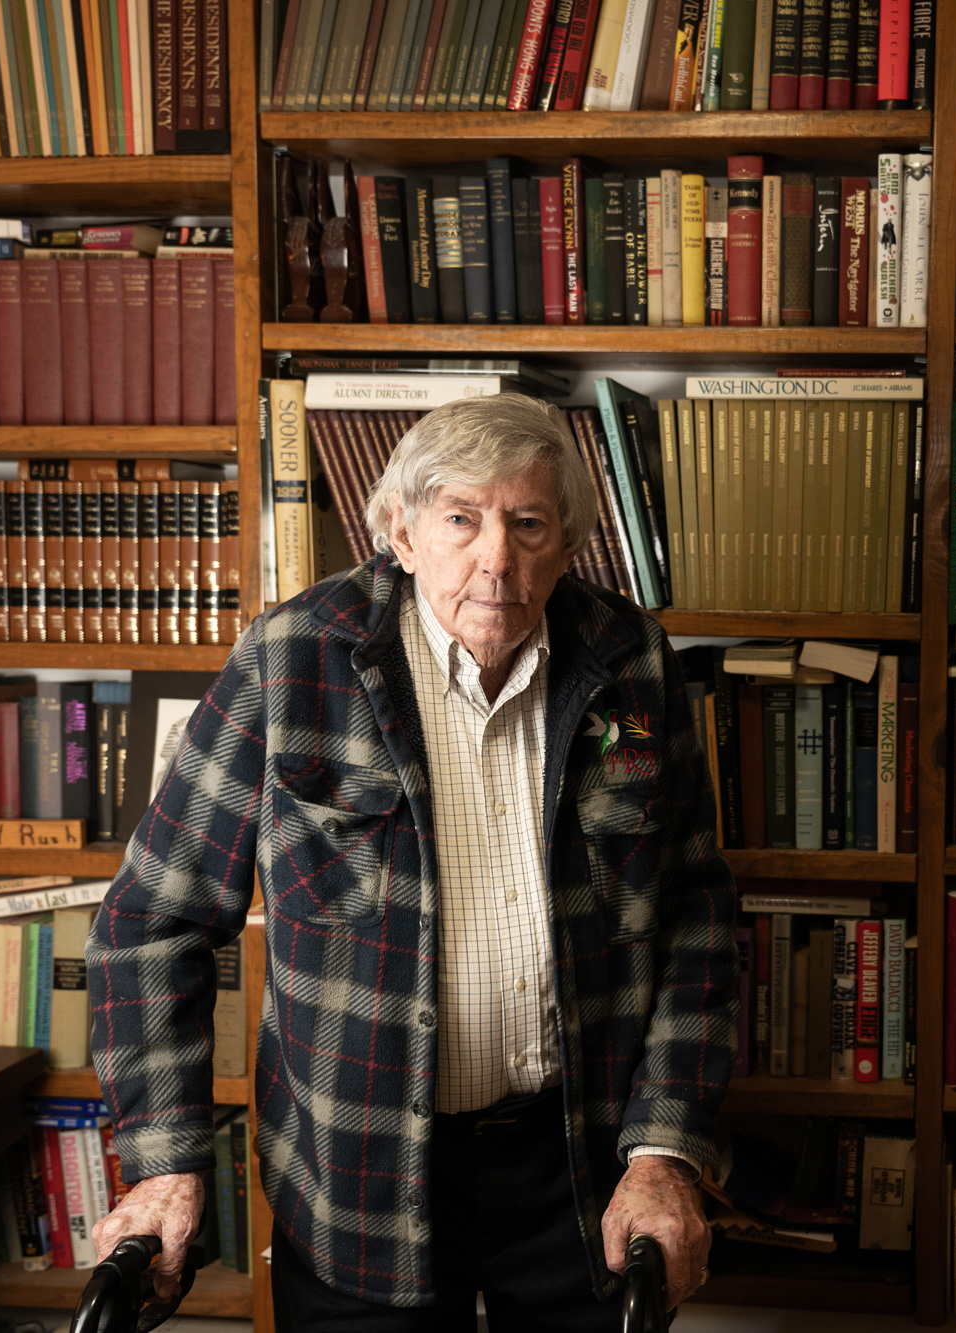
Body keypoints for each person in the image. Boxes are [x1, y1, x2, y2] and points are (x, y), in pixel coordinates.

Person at [88, 395, 738, 1330]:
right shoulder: (293, 660)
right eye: (462, 519)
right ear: (401, 530)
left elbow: (697, 921)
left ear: (567, 545)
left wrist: (666, 1150)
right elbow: (155, 917)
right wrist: (162, 1162)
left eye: (527, 523)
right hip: (357, 1171)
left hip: (586, 1165)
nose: (496, 559)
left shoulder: (630, 658)